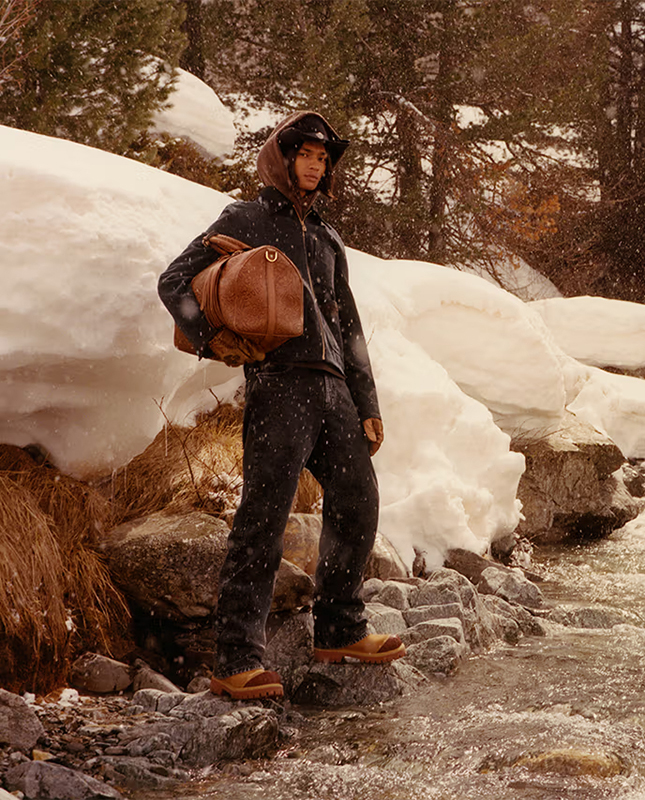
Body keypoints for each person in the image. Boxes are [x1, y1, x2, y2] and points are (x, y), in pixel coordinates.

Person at [159, 111, 403, 700]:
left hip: (334, 390)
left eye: (324, 159)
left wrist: (366, 401)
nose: (317, 166)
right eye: (307, 155)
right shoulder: (248, 217)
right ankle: (236, 657)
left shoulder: (326, 236)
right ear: (283, 158)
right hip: (280, 384)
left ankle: (340, 628)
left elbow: (348, 326)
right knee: (262, 517)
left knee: (358, 500)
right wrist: (209, 340)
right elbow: (175, 280)